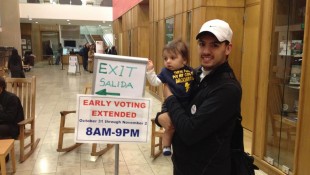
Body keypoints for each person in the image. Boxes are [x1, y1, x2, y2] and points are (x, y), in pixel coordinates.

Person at [156, 19, 242, 175]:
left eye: (214, 45)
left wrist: (169, 97)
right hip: (183, 166)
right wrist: (160, 116)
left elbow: (190, 132)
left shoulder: (227, 89)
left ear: (228, 48)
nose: (206, 51)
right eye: (202, 44)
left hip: (206, 169)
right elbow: (181, 109)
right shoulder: (193, 74)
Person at [146, 39, 194, 156]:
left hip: (186, 105)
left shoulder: (191, 71)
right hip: (169, 105)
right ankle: (166, 146)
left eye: (172, 58)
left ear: (184, 60)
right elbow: (155, 82)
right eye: (165, 58)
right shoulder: (165, 72)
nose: (168, 61)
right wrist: (150, 70)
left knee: (185, 126)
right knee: (170, 127)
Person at [0, 77, 24, 162]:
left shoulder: (11, 98)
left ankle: (3, 156)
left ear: (1, 87)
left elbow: (10, 117)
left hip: (14, 126)